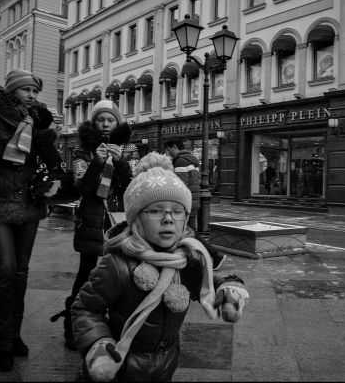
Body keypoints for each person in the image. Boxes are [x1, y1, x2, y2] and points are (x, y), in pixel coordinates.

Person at [71, 152, 249, 382]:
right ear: (136, 219)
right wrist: (99, 343)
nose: (168, 219)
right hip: (118, 369)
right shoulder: (118, 264)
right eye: (155, 211)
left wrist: (228, 288)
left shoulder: (186, 259)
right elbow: (85, 308)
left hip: (164, 366)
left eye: (177, 211)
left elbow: (206, 283)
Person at [0, 69, 63, 372]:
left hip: (29, 206)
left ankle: (14, 334)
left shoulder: (39, 123)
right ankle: (2, 343)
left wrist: (54, 178)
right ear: (12, 91)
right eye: (27, 90)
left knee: (20, 272)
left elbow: (54, 163)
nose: (33, 95)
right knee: (5, 270)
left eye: (35, 90)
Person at [50, 100, 135, 351]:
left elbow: (133, 187)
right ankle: (74, 328)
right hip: (92, 218)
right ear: (94, 123)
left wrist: (120, 163)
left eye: (111, 119)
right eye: (101, 119)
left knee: (123, 274)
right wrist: (97, 162)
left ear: (118, 122)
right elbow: (82, 188)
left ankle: (117, 328)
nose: (106, 123)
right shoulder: (82, 151)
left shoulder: (129, 149)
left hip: (119, 219)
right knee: (86, 274)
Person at [163, 138, 226, 270]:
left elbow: (180, 185)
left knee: (190, 233)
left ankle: (215, 255)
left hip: (186, 203)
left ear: (174, 146)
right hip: (194, 201)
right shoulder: (191, 159)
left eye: (169, 151)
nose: (169, 154)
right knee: (189, 232)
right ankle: (198, 257)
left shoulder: (180, 161)